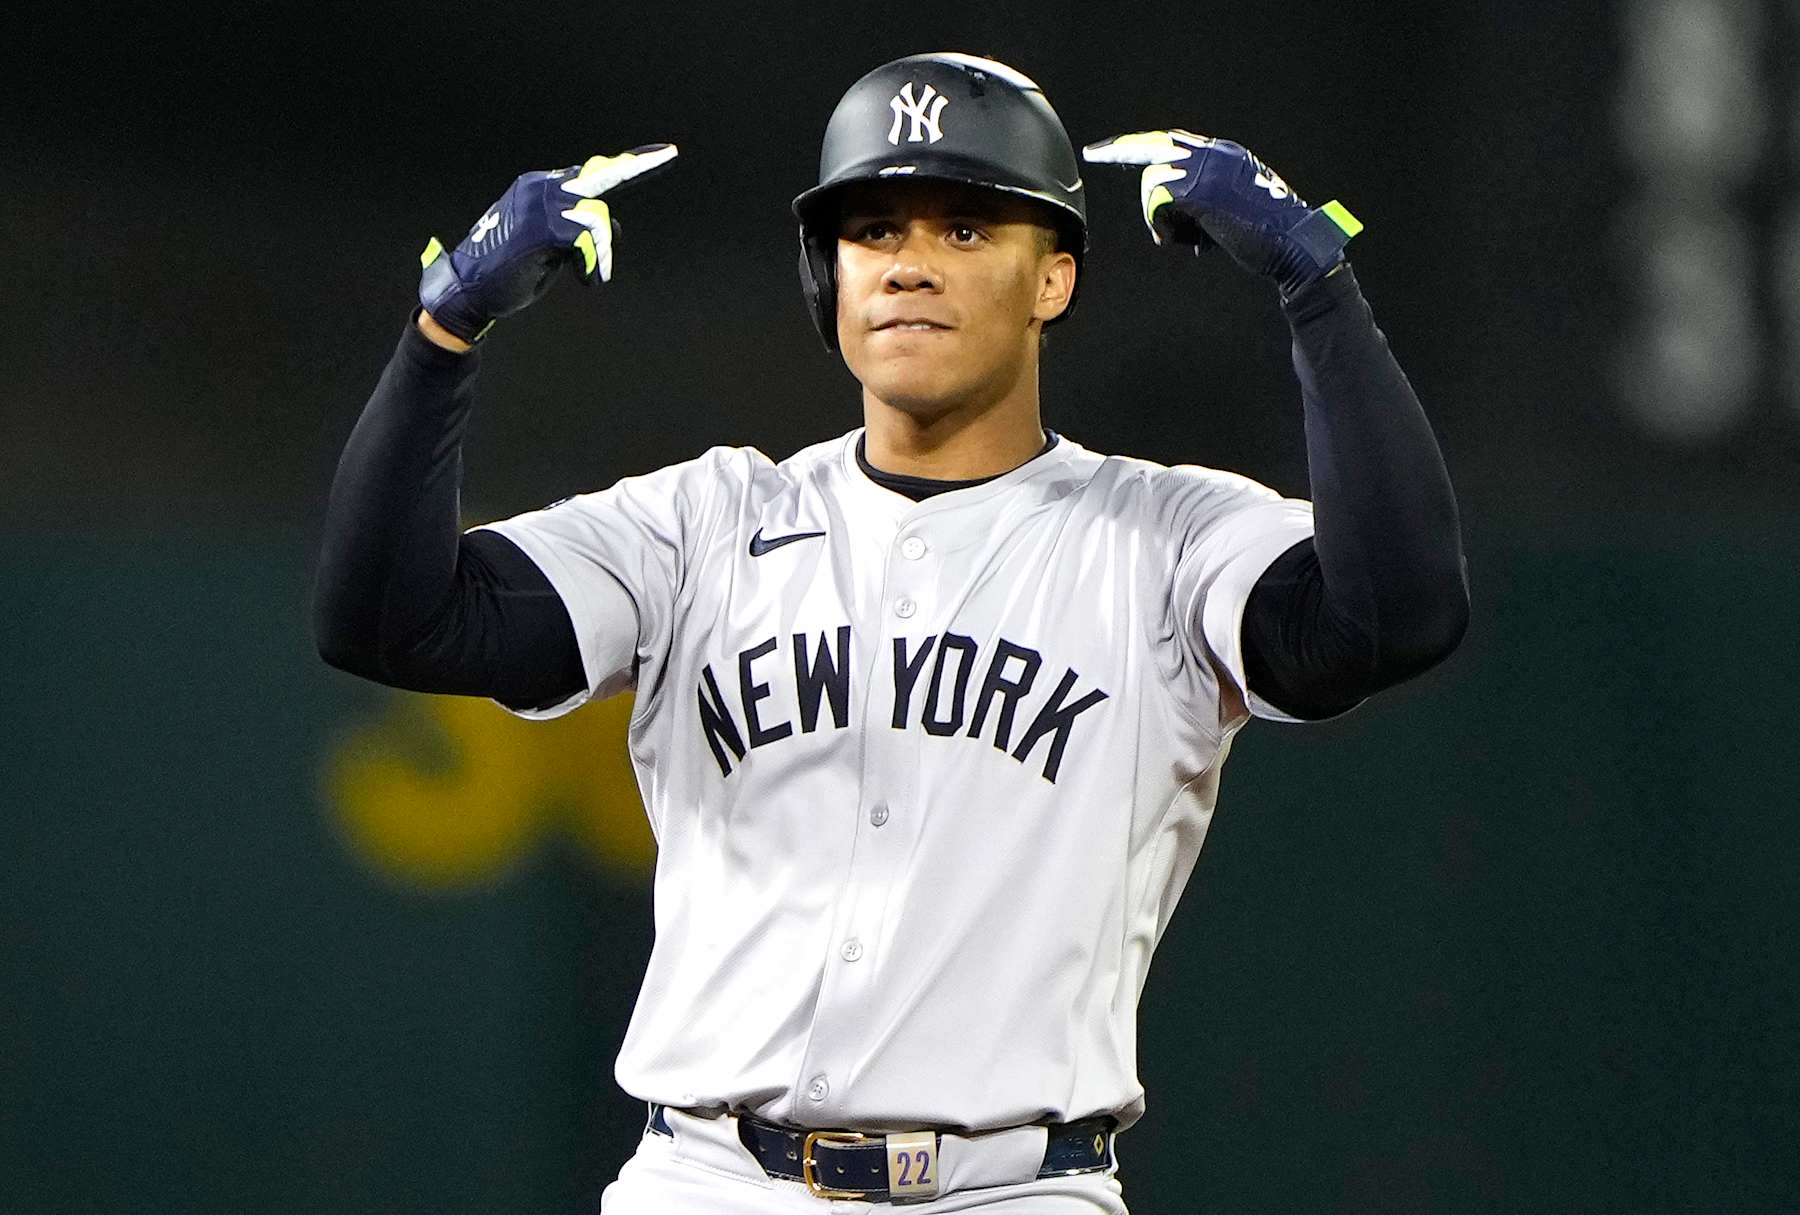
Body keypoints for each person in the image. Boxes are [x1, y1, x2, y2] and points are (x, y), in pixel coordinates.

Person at [314, 51, 1468, 1214]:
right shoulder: (704, 523)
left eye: (967, 230)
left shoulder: (1164, 536)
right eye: (872, 230)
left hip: (1013, 1190)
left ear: (1054, 279)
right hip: (706, 1179)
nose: (910, 263)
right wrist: (441, 328)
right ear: (830, 277)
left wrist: (1318, 287)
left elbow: (1394, 615)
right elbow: (390, 621)